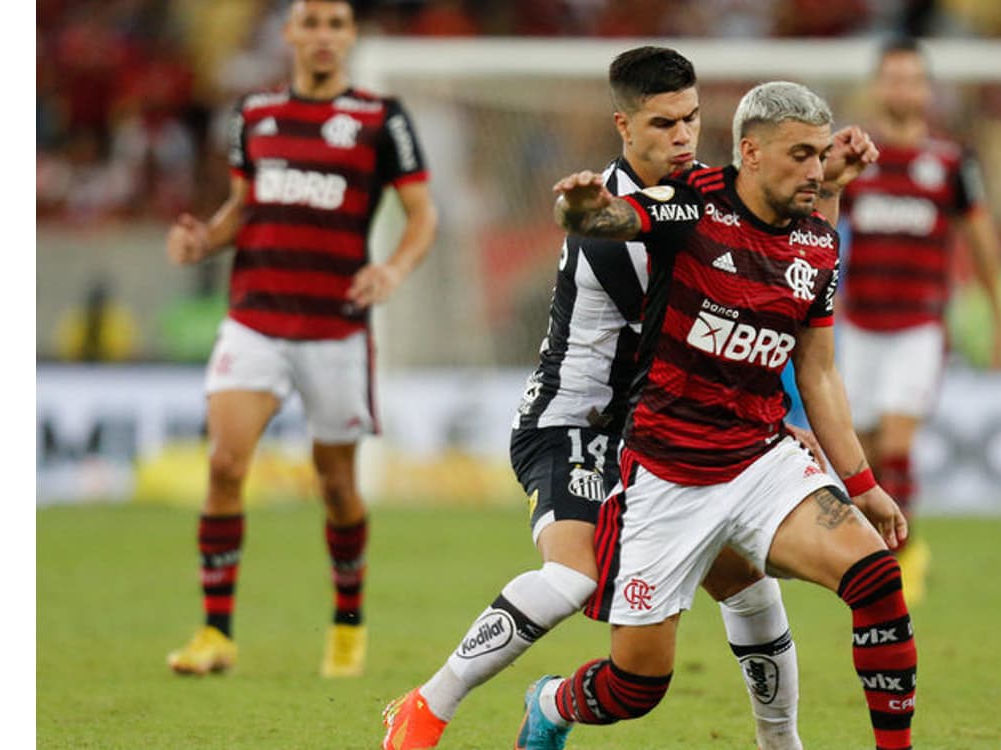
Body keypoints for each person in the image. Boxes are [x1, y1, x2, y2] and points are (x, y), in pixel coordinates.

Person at [382, 46, 815, 750]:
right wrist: (765, 420)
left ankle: (781, 743)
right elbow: (697, 333)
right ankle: (427, 706)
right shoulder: (617, 230)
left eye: (692, 118)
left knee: (747, 581)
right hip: (575, 425)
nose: (682, 136)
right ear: (624, 126)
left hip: (655, 433)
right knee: (572, 575)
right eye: (663, 123)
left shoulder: (699, 194)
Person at [516, 82, 917, 750]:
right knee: (635, 686)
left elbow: (818, 371)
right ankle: (553, 702)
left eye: (822, 155)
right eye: (800, 155)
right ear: (751, 154)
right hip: (665, 476)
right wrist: (584, 212)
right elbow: (620, 220)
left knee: (876, 581)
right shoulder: (697, 202)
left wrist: (864, 484)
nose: (816, 171)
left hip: (761, 461)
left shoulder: (818, 243)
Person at [163, 0, 438, 678]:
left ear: (350, 37)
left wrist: (393, 268)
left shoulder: (381, 119)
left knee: (337, 488)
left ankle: (347, 627)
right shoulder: (253, 114)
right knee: (226, 466)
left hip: (335, 326)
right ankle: (215, 633)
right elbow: (242, 207)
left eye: (336, 25)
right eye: (310, 23)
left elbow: (422, 215)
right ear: (288, 34)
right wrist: (205, 240)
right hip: (255, 316)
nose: (323, 36)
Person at [838, 36, 1001, 604]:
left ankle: (903, 557)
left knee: (896, 438)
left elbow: (980, 240)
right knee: (859, 447)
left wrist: (998, 316)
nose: (902, 88)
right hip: (859, 324)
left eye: (913, 79)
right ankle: (874, 553)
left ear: (927, 90)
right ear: (878, 87)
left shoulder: (952, 163)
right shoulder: (854, 159)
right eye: (893, 78)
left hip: (918, 325)